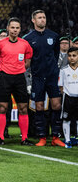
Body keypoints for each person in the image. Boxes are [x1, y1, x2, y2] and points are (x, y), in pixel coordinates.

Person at [23, 10, 64, 147]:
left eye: (44, 17)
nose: (42, 20)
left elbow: (56, 54)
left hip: (52, 76)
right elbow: (27, 59)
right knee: (39, 107)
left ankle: (56, 137)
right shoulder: (27, 38)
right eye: (39, 18)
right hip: (38, 77)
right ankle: (42, 137)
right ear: (33, 20)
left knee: (57, 105)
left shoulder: (54, 36)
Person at [0, 18, 35, 146]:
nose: (15, 30)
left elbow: (28, 61)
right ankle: (0, 137)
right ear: (8, 28)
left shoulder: (25, 44)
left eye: (17, 28)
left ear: (20, 29)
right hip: (5, 78)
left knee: (23, 108)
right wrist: (3, 71)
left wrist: (19, 69)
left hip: (19, 78)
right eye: (12, 28)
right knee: (2, 107)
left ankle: (24, 138)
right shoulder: (0, 44)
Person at [59, 47, 78, 147]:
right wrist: (65, 94)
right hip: (68, 98)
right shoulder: (63, 70)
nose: (72, 58)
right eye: (70, 56)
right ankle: (67, 139)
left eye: (74, 56)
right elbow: (61, 85)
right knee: (66, 119)